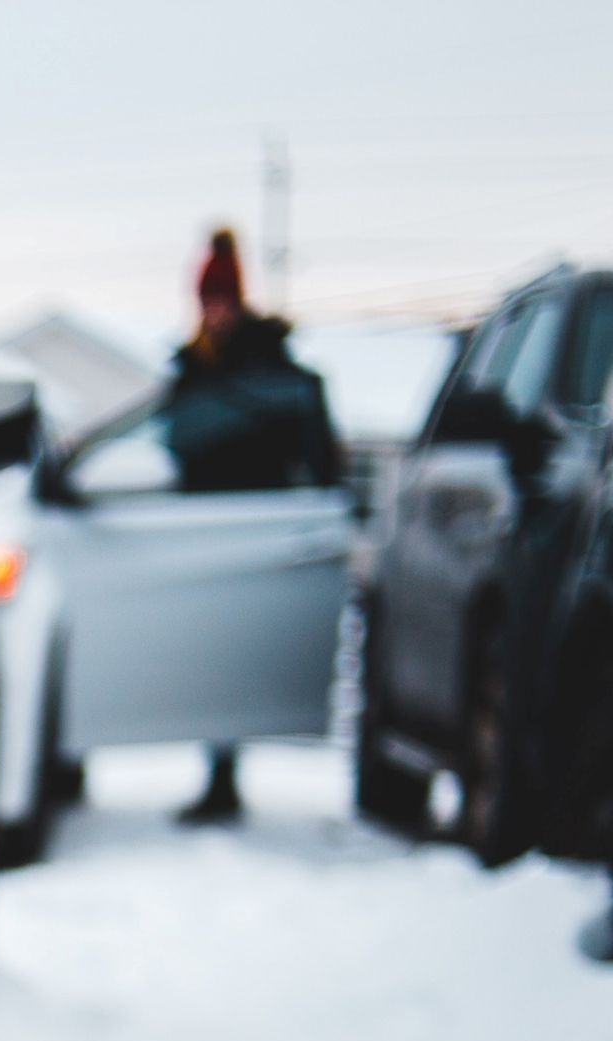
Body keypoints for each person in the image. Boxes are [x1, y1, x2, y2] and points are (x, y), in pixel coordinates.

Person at [161, 228, 344, 825]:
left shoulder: (270, 369)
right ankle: (218, 770)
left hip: (258, 525)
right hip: (200, 529)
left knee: (240, 653)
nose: (214, 313)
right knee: (206, 657)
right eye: (206, 302)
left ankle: (226, 773)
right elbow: (174, 444)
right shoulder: (189, 371)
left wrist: (316, 498)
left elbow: (315, 447)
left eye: (222, 301)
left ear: (238, 300)